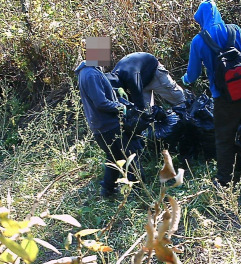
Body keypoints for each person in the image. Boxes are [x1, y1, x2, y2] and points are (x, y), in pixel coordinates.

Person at [181, 0, 241, 186]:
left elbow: (193, 74)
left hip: (222, 99)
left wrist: (185, 80)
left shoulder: (198, 41)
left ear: (201, 18)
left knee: (224, 139)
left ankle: (225, 180)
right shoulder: (234, 30)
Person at [74, 60, 145, 197]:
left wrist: (118, 99)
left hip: (101, 126)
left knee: (114, 158)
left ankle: (108, 190)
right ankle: (137, 191)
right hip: (108, 125)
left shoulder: (88, 72)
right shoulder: (91, 74)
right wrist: (121, 108)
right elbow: (101, 102)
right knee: (129, 155)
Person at [104, 52, 186, 111]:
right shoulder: (115, 77)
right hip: (142, 81)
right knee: (147, 113)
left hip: (154, 72)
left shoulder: (129, 76)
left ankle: (191, 117)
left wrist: (137, 109)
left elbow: (137, 98)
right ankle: (153, 133)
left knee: (178, 98)